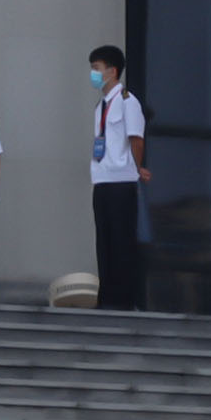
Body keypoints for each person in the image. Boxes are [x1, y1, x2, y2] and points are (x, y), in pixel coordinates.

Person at [86, 43, 148, 310]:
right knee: (105, 242)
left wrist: (137, 166)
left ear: (112, 71)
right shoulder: (101, 106)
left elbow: (136, 138)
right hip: (102, 180)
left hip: (121, 180)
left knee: (122, 242)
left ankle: (124, 300)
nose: (93, 74)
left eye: (97, 69)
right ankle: (107, 298)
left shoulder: (127, 101)